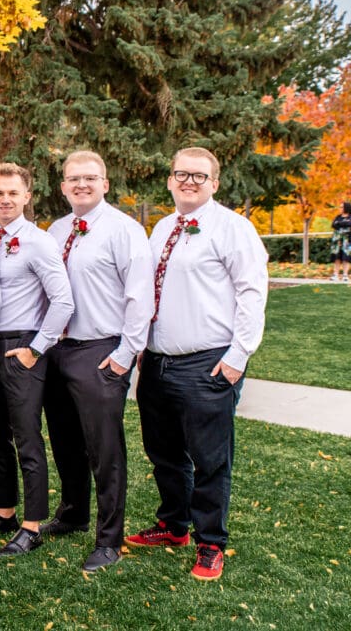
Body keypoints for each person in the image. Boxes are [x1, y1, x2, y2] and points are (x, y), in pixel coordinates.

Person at [126, 147, 268, 581]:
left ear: (215, 183)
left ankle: (211, 543)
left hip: (207, 363)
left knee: (210, 459)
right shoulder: (162, 227)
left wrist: (237, 357)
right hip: (157, 361)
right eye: (181, 174)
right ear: (169, 180)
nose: (189, 181)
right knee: (164, 453)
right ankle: (174, 525)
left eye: (199, 176)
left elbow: (251, 293)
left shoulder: (233, 228)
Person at [42, 150, 154, 573]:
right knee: (65, 439)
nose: (81, 184)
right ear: (63, 186)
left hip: (100, 349)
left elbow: (140, 298)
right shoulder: (55, 229)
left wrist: (125, 354)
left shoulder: (125, 230)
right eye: (73, 179)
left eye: (90, 178)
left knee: (103, 449)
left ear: (105, 183)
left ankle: (110, 539)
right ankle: (73, 513)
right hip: (58, 350)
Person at [0, 164, 74, 557]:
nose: (5, 200)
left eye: (13, 193)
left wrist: (36, 348)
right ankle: (5, 512)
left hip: (22, 347)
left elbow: (63, 301)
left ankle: (32, 525)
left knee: (27, 438)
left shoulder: (38, 242)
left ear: (27, 196)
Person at [330, 202, 351, 282]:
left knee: (346, 258)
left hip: (347, 241)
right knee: (337, 257)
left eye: (341, 207)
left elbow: (348, 224)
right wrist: (344, 224)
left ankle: (345, 275)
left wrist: (340, 224)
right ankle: (335, 275)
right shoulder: (338, 217)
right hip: (337, 240)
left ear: (346, 208)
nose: (340, 208)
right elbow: (333, 225)